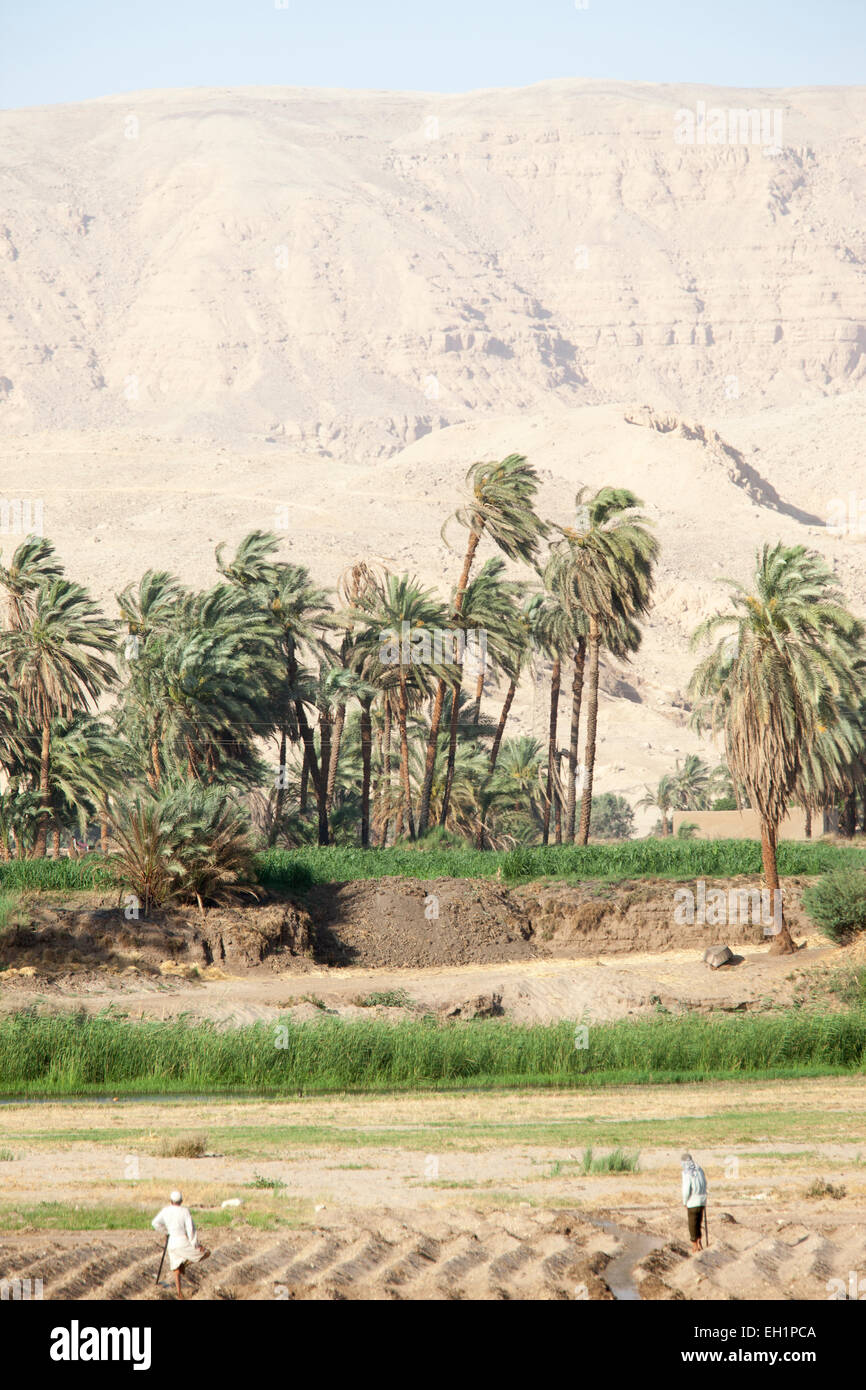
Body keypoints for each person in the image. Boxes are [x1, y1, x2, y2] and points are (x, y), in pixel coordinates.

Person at [152, 1190, 211, 1299]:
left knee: (176, 1270)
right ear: (181, 1201)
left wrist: (166, 1231)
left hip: (172, 1242)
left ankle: (179, 1293)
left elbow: (155, 1223)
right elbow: (191, 1229)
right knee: (206, 1253)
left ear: (171, 1201)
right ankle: (185, 1264)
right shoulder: (185, 1211)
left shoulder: (166, 1210)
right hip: (182, 1241)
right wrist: (196, 1244)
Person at [680, 1153, 708, 1253]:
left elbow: (686, 1190)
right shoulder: (699, 1169)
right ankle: (699, 1241)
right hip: (702, 1200)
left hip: (693, 1201)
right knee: (699, 1222)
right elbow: (705, 1183)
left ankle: (695, 1245)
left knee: (692, 1224)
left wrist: (685, 1201)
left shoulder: (687, 1173)